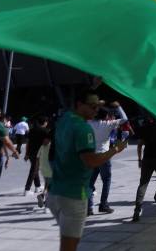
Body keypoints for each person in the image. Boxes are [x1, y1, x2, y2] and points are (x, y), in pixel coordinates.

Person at [49, 90, 127, 251]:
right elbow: (91, 161)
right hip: (74, 195)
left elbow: (75, 106)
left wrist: (92, 88)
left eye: (97, 106)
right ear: (79, 105)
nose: (96, 109)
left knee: (67, 241)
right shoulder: (83, 128)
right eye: (92, 106)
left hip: (56, 192)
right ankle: (103, 204)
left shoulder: (65, 119)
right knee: (70, 246)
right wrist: (115, 150)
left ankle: (93, 206)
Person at [85, 102, 129, 215]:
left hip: (92, 156)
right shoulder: (108, 124)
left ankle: (88, 208)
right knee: (106, 180)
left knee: (90, 182)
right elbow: (125, 119)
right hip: (104, 156)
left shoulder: (88, 123)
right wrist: (119, 107)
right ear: (106, 116)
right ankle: (103, 204)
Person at [25, 116, 50, 197]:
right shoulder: (45, 131)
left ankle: (37, 186)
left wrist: (26, 153)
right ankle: (27, 189)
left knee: (35, 168)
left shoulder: (31, 130)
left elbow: (28, 142)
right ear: (45, 122)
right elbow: (47, 143)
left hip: (31, 152)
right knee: (34, 170)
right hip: (39, 153)